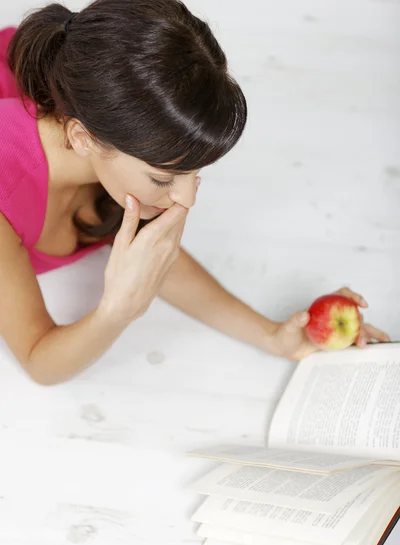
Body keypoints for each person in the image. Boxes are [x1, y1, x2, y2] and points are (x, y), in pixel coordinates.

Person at [0, 0, 389, 386]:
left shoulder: (111, 134)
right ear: (82, 137)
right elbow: (39, 361)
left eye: (194, 174)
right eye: (163, 178)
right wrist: (117, 310)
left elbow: (159, 258)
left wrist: (273, 337)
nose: (186, 200)